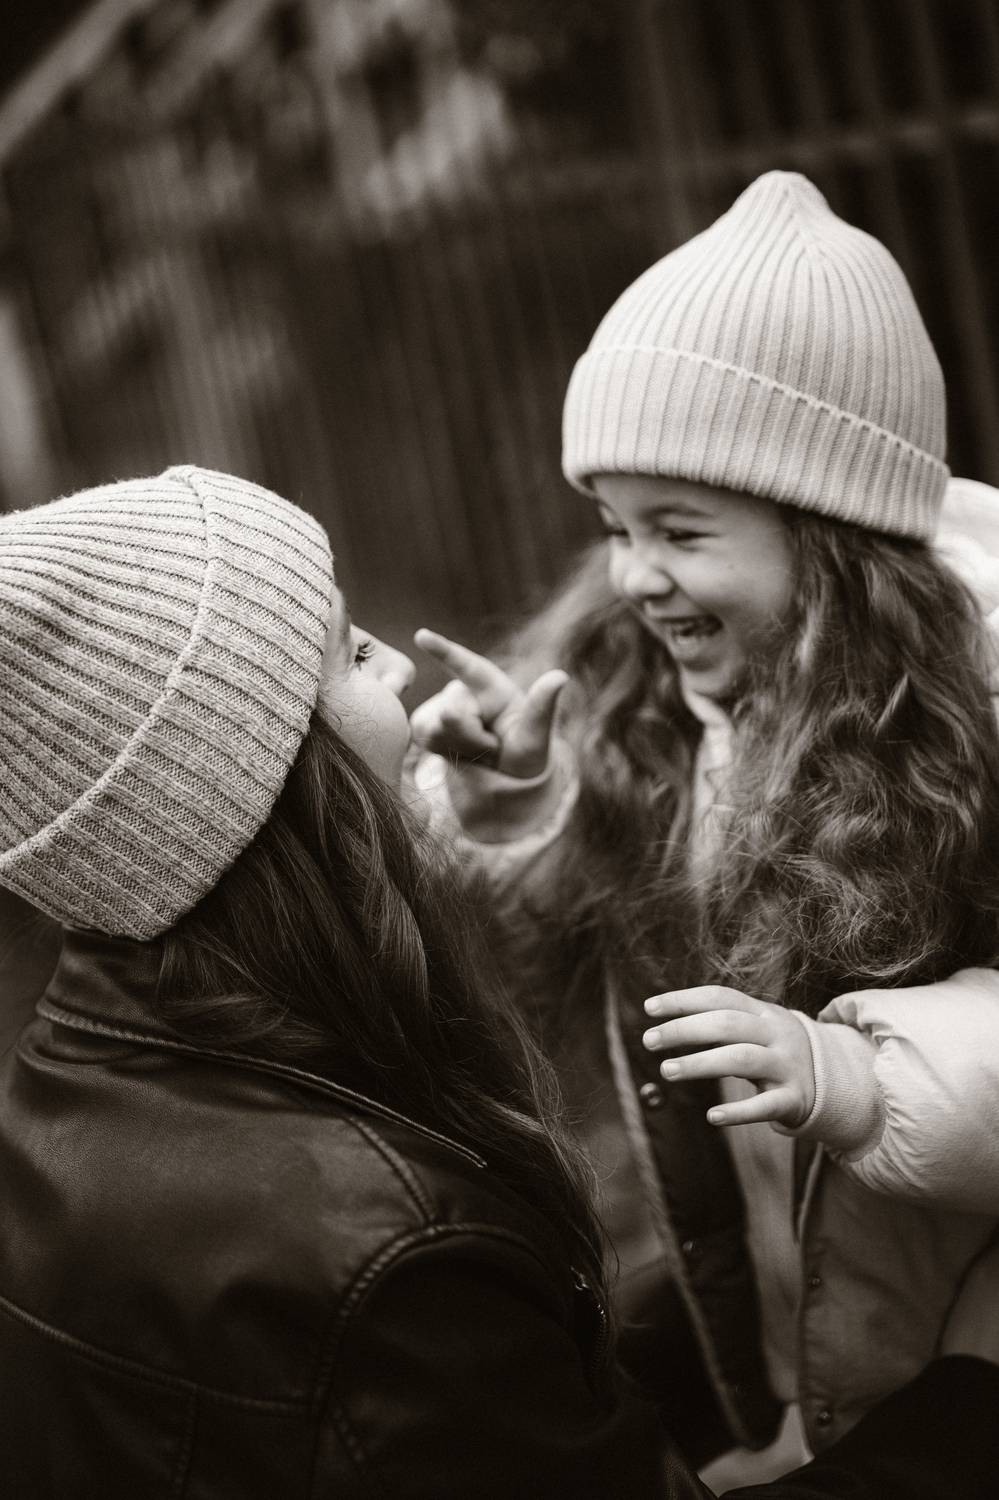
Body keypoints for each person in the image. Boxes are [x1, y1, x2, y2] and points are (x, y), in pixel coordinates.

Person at [6, 466, 997, 1497]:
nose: (397, 663)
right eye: (350, 653)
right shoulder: (389, 1255)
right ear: (259, 777)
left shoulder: (62, 1099)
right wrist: (971, 1393)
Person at [410, 171, 999, 1478]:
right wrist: (521, 807)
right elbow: (569, 982)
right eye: (613, 526)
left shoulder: (978, 708)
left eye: (677, 529)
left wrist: (867, 1078)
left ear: (835, 536)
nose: (631, 576)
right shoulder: (661, 700)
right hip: (809, 1363)